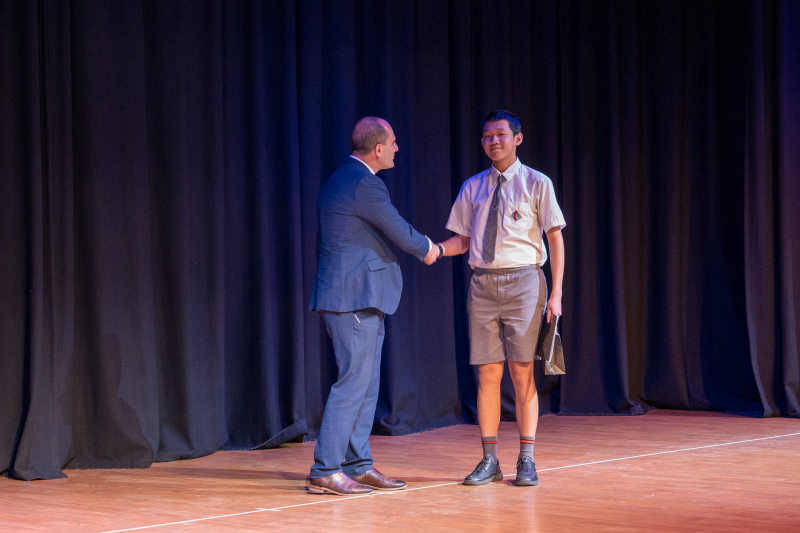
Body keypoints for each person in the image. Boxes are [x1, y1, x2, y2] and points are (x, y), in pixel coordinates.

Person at [308, 117, 439, 495]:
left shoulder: (346, 178)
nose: (397, 148)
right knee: (352, 383)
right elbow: (396, 227)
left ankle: (358, 464)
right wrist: (429, 248)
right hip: (351, 297)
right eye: (393, 142)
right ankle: (325, 469)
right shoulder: (364, 183)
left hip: (360, 297)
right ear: (378, 148)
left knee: (365, 385)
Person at [435, 110, 566, 487]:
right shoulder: (473, 186)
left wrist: (556, 293)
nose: (494, 141)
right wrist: (435, 250)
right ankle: (489, 459)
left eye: (501, 135)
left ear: (517, 139)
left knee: (521, 371)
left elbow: (554, 237)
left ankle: (527, 458)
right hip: (483, 283)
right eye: (487, 136)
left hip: (524, 281)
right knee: (488, 373)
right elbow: (462, 240)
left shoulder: (537, 183)